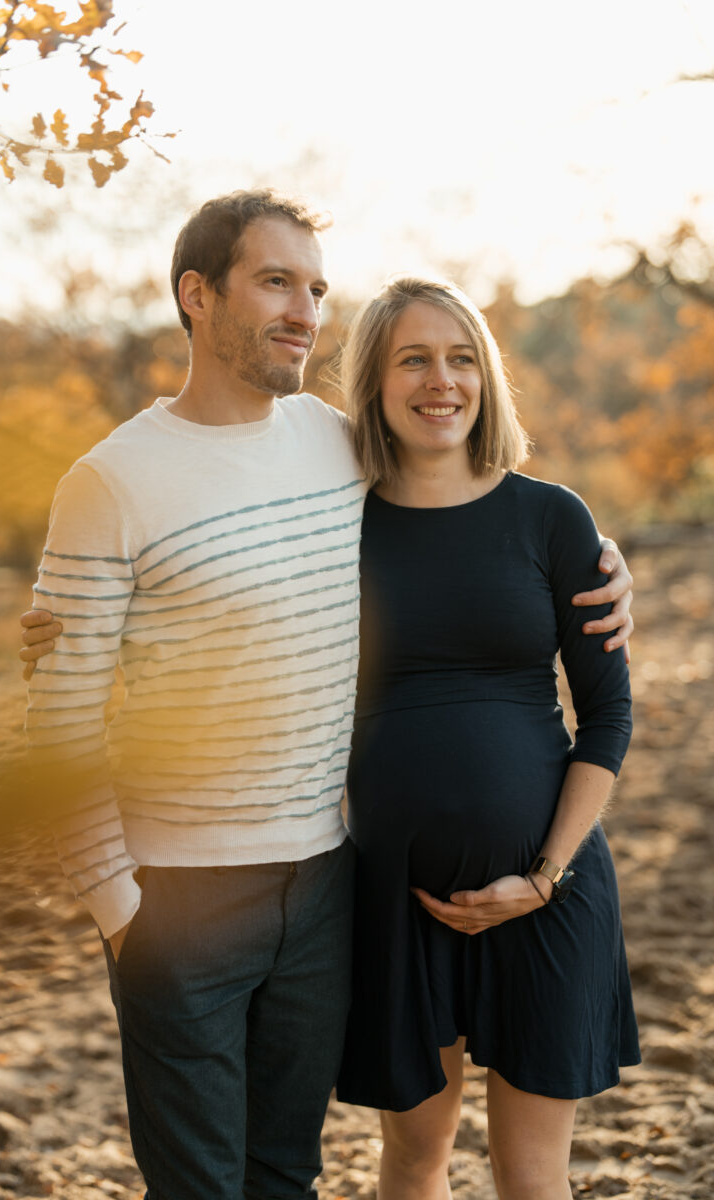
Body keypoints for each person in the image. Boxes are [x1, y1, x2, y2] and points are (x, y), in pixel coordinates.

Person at [20, 190, 635, 1200]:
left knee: (285, 1173)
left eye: (313, 288)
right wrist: (119, 912)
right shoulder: (117, 478)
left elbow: (468, 497)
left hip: (320, 883)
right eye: (274, 283)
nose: (302, 311)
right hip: (189, 894)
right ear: (196, 296)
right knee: (209, 1182)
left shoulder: (331, 447)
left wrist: (606, 563)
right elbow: (61, 710)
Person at [334, 277, 640, 1200]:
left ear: (487, 376)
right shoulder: (336, 522)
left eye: (462, 357)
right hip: (397, 897)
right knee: (415, 1159)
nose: (442, 380)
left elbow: (609, 716)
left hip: (550, 893)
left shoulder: (551, 518)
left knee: (533, 1174)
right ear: (377, 384)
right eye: (414, 359)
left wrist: (542, 877)